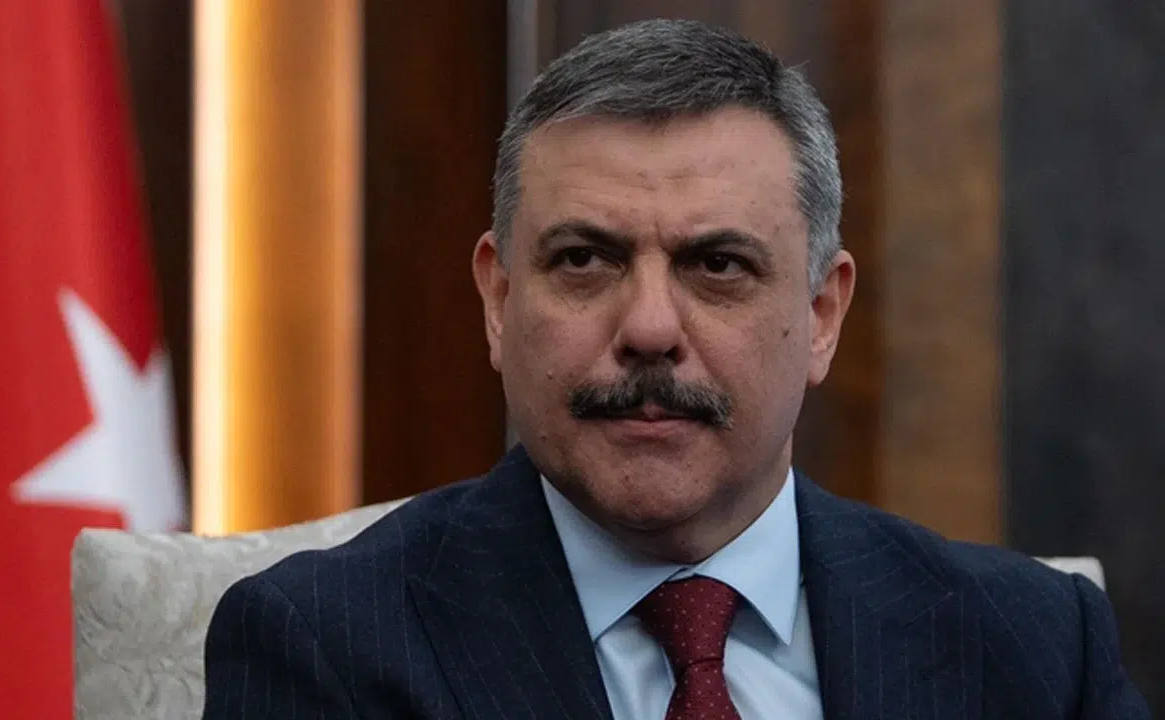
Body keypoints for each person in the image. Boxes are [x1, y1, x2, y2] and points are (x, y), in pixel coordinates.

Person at [202, 18, 1148, 719]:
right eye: (585, 260)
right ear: (498, 301)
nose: (649, 329)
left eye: (718, 265)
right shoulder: (323, 646)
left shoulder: (1032, 646)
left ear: (822, 316)